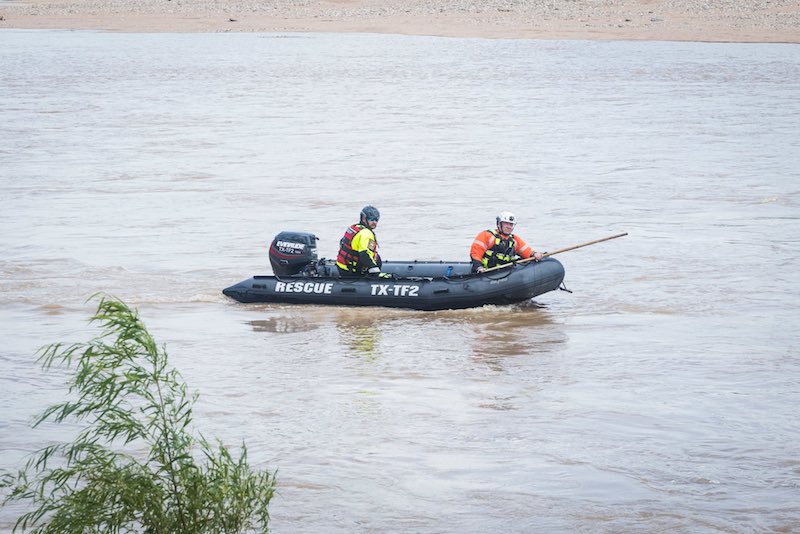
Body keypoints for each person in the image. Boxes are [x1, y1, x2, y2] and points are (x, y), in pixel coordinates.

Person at [470, 211, 543, 273]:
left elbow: (527, 252)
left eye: (511, 224)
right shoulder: (487, 236)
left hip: (506, 273)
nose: (509, 226)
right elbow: (475, 254)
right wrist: (479, 267)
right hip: (486, 272)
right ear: (499, 224)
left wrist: (535, 254)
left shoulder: (514, 240)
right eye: (506, 223)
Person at [336, 205, 392, 278]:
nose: (374, 222)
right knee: (375, 260)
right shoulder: (366, 234)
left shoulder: (354, 228)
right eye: (371, 219)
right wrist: (376, 272)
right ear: (363, 218)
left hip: (342, 266)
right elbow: (364, 255)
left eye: (376, 220)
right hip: (351, 270)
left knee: (377, 258)